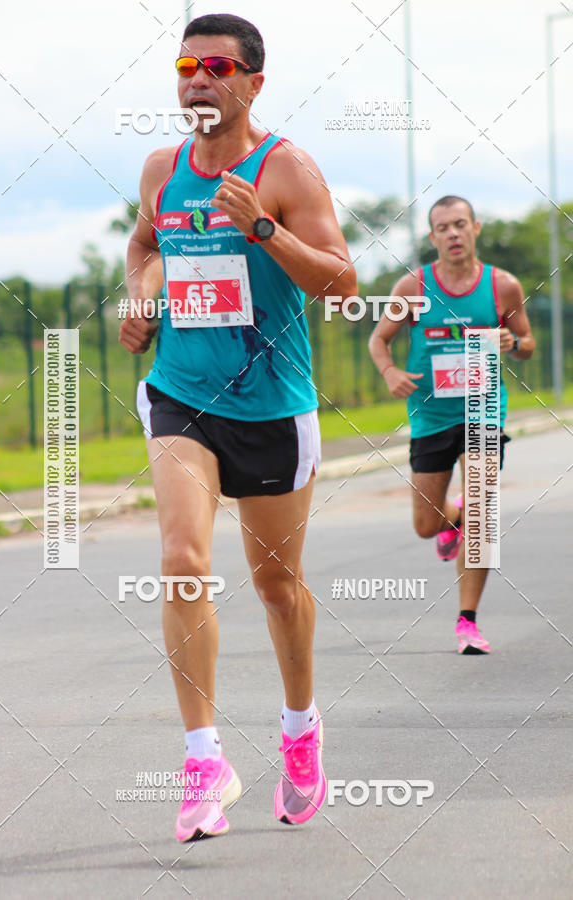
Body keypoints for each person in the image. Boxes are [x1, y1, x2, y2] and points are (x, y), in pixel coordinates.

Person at [119, 13, 357, 841]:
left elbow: (340, 283)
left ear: (253, 82)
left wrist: (263, 225)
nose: (198, 78)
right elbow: (143, 247)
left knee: (275, 587)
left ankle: (299, 730)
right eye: (187, 63)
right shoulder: (162, 168)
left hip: (271, 408)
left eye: (217, 66)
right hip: (181, 397)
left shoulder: (285, 168)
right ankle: (203, 757)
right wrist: (140, 298)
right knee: (183, 560)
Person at [369, 195, 535, 654]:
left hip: (483, 408)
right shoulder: (412, 288)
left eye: (460, 224)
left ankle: (468, 622)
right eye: (443, 228)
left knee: (483, 517)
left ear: (476, 228)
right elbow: (379, 340)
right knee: (425, 524)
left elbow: (527, 343)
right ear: (432, 236)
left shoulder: (502, 286)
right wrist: (390, 373)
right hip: (431, 415)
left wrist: (513, 340)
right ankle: (452, 518)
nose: (453, 234)